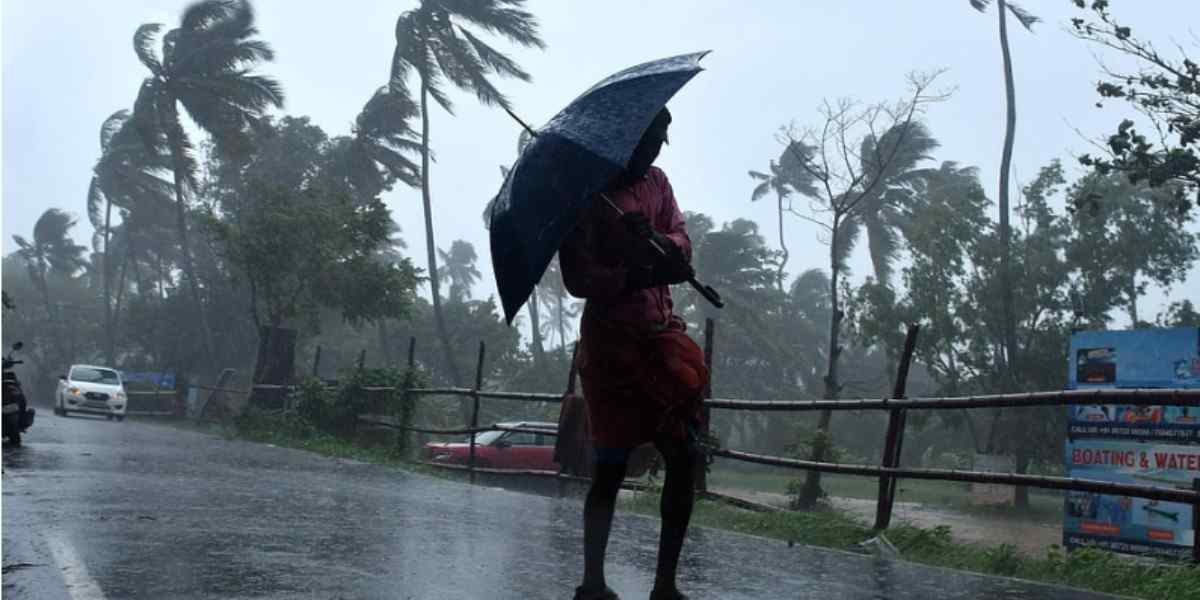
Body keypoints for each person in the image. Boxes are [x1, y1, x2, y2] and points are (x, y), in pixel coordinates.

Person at [559, 107, 708, 600]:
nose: (656, 149)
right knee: (610, 465)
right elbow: (578, 279)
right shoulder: (586, 198)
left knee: (684, 455)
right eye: (650, 138)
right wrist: (626, 262)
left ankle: (665, 583)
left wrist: (656, 241)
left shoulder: (659, 184)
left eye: (664, 139)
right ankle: (594, 582)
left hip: (660, 337)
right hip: (611, 347)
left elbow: (682, 245)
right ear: (627, 137)